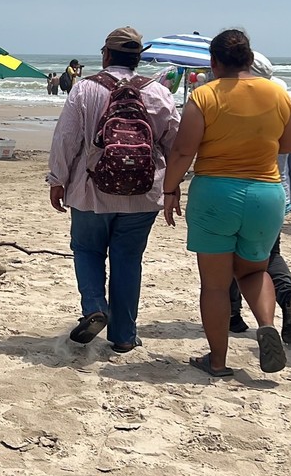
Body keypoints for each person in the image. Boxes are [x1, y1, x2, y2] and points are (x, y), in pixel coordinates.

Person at [162, 29, 291, 377]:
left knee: (215, 284)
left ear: (214, 62)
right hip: (265, 194)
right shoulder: (279, 94)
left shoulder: (204, 95)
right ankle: (266, 324)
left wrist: (170, 188)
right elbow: (289, 144)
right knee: (255, 270)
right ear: (249, 58)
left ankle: (218, 361)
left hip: (216, 193)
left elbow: (183, 150)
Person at [48, 27, 179, 353]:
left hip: (89, 189)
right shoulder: (159, 93)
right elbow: (176, 144)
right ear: (138, 59)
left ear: (105, 55)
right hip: (143, 194)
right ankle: (123, 336)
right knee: (128, 260)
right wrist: (172, 188)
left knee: (87, 250)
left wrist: (57, 179)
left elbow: (66, 138)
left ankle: (94, 306)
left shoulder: (84, 89)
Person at [227, 55, 291, 342]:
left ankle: (232, 315)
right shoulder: (285, 105)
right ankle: (288, 298)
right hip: (276, 193)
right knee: (269, 254)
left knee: (228, 251)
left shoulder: (234, 104)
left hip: (235, 190)